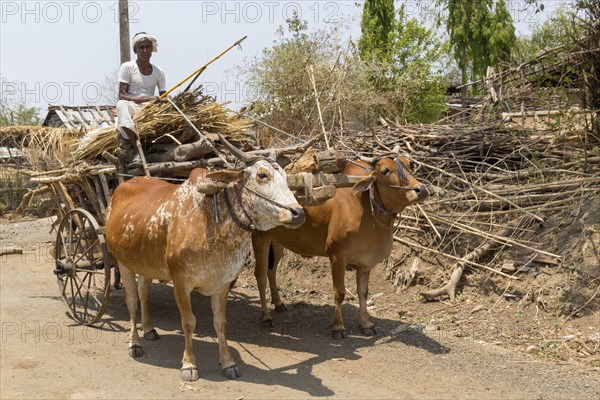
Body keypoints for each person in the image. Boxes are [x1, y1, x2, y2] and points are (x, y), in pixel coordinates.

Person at [115, 32, 166, 163]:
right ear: (135, 50)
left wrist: (166, 99)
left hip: (150, 108)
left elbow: (163, 96)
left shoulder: (159, 72)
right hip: (132, 105)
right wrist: (149, 99)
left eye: (148, 47)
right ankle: (137, 149)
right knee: (121, 104)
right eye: (141, 47)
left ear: (152, 50)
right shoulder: (128, 67)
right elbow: (122, 95)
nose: (144, 50)